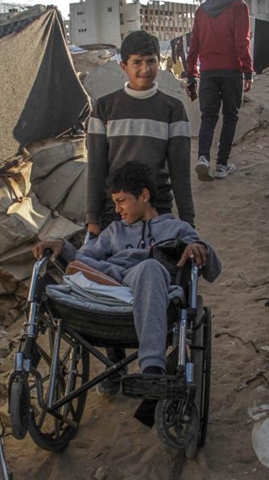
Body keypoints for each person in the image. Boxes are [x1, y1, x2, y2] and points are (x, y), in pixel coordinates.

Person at [32, 162, 221, 382]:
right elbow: (84, 259)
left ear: (144, 196)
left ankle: (152, 368)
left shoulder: (176, 229)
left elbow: (214, 269)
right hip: (109, 281)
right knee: (65, 268)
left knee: (150, 268)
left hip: (150, 285)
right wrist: (63, 245)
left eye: (121, 201)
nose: (117, 210)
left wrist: (199, 248)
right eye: (114, 203)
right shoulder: (114, 231)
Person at [86, 30, 195, 238]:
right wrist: (92, 219)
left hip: (157, 212)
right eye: (137, 62)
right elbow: (96, 167)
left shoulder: (173, 109)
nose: (145, 69)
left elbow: (180, 172)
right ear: (123, 66)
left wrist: (188, 221)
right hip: (116, 213)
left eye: (151, 61)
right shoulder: (104, 108)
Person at [185, 0, 253, 181]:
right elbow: (242, 41)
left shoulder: (201, 10)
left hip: (207, 73)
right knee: (230, 116)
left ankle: (203, 158)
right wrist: (247, 71)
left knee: (208, 117)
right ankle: (222, 165)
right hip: (232, 72)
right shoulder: (239, 6)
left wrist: (191, 74)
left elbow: (194, 44)